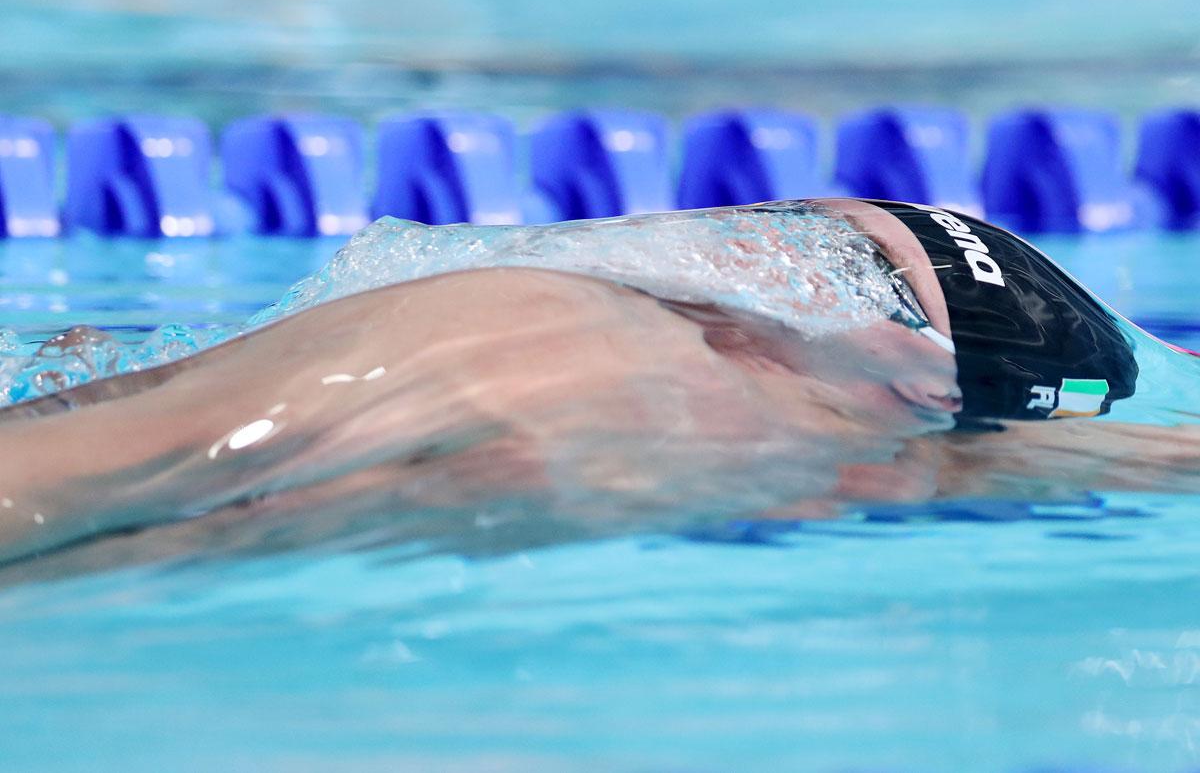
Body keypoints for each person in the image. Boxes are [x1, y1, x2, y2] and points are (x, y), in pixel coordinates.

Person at [0, 199, 1194, 584]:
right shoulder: (815, 447)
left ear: (899, 362)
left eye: (840, 256)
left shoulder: (534, 322)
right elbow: (1030, 452)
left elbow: (100, 462)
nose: (753, 241)